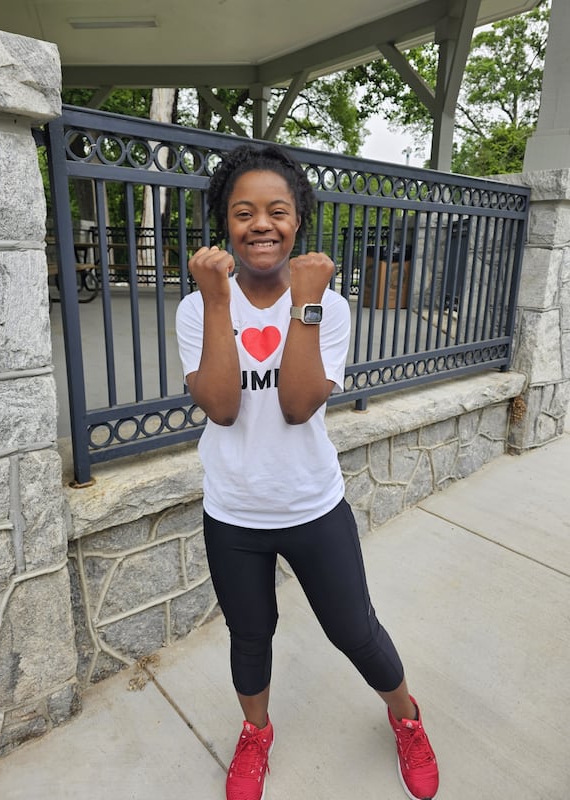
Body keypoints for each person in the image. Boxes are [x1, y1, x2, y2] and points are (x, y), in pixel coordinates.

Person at [175, 143, 439, 800]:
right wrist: (215, 305)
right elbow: (221, 405)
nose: (260, 225)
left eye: (277, 211)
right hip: (233, 513)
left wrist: (305, 303)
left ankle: (406, 715)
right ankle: (256, 734)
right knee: (250, 635)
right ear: (225, 223)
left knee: (354, 629)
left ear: (298, 221)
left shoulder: (330, 305)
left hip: (312, 507)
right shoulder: (195, 307)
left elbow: (296, 405)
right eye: (243, 213)